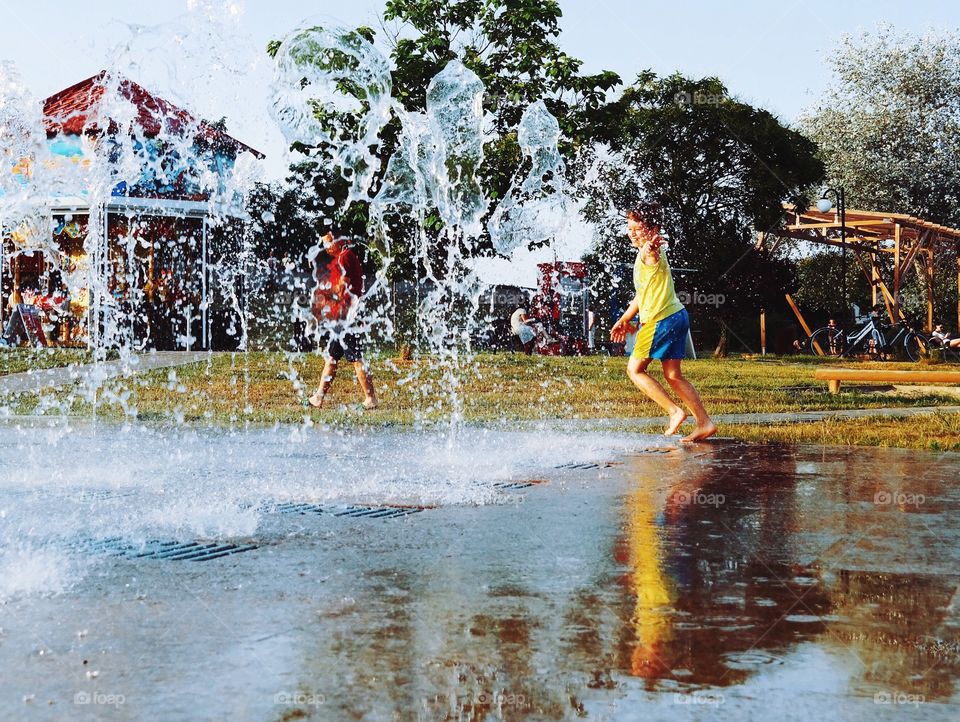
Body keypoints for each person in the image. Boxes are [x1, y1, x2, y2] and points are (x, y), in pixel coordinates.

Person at [610, 206, 716, 442]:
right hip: (677, 316)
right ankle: (704, 422)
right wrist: (625, 318)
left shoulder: (649, 252)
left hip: (660, 320)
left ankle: (674, 411)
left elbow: (651, 253)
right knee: (672, 374)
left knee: (635, 369)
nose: (633, 233)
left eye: (639, 229)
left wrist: (652, 245)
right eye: (630, 229)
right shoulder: (641, 255)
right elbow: (641, 295)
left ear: (653, 230)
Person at [308, 232, 378, 410]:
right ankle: (318, 397)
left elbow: (343, 288)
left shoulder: (345, 257)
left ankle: (371, 398)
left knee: (355, 358)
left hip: (348, 318)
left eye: (327, 243)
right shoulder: (345, 256)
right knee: (332, 357)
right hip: (342, 317)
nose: (326, 248)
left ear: (337, 242)